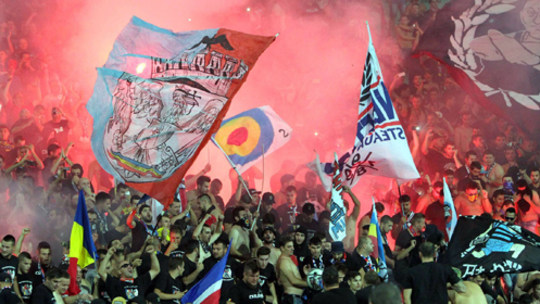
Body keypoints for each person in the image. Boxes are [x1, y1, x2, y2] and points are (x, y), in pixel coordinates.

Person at [277, 235, 307, 304]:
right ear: (282, 248)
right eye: (289, 247)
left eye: (292, 246)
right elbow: (293, 281)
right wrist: (310, 284)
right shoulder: (284, 261)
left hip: (294, 298)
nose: (293, 248)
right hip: (292, 298)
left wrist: (306, 276)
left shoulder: (288, 259)